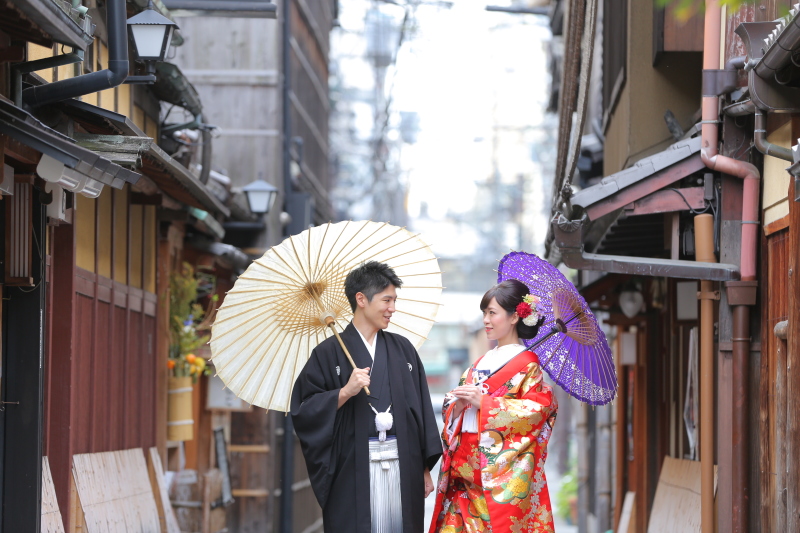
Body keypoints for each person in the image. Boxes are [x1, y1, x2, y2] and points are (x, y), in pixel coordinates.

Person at [291, 261, 442, 533]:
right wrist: (344, 392)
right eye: (386, 300)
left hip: (403, 463)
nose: (392, 308)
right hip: (352, 469)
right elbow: (303, 410)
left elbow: (419, 411)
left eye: (394, 300)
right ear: (361, 299)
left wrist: (423, 468)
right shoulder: (328, 353)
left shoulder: (403, 350)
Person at [429, 279, 558, 533]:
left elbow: (537, 411)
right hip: (463, 469)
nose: (485, 320)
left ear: (514, 318)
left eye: (492, 313)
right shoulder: (481, 361)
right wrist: (457, 404)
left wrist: (485, 403)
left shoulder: (528, 365)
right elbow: (453, 406)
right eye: (484, 313)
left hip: (497, 471)